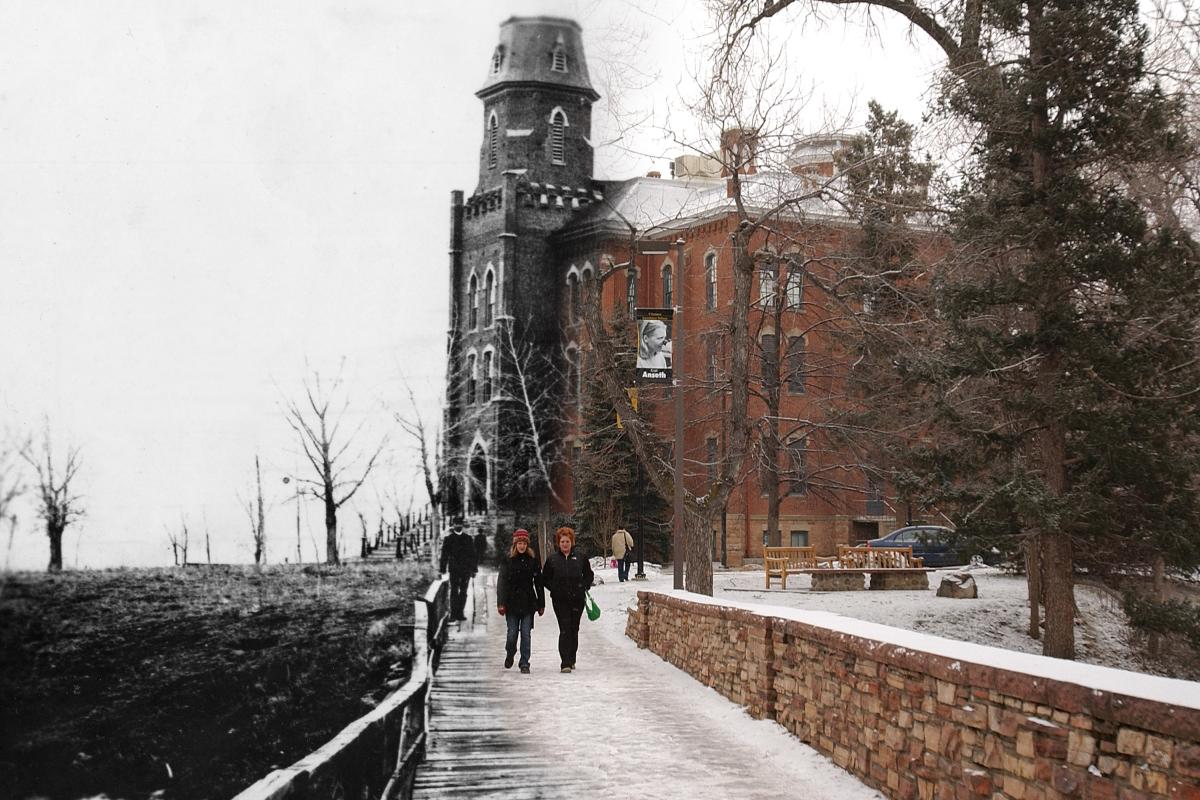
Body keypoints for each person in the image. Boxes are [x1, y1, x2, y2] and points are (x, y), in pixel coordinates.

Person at [540, 525, 594, 673]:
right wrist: (555, 589)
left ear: (572, 542)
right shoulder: (552, 559)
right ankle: (565, 662)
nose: (565, 544)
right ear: (559, 542)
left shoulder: (580, 558)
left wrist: (584, 586)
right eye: (562, 541)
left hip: (577, 599)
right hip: (560, 600)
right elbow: (545, 578)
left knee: (574, 629)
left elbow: (589, 575)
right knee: (564, 629)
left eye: (567, 541)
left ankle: (572, 657)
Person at [495, 529, 545, 674]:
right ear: (515, 545)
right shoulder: (508, 561)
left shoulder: (533, 561)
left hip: (528, 603)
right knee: (512, 634)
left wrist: (541, 604)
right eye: (519, 543)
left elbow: (538, 583)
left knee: (525, 634)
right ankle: (510, 653)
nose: (522, 546)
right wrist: (501, 603)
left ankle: (524, 662)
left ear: (527, 545)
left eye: (524, 543)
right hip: (511, 603)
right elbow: (501, 583)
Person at [439, 519, 478, 621]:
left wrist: (474, 569)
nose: (458, 525)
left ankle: (460, 613)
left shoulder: (468, 538)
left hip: (466, 569)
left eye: (460, 524)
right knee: (454, 591)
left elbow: (473, 554)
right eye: (456, 523)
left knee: (463, 591)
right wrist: (442, 569)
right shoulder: (448, 539)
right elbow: (444, 555)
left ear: (463, 525)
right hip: (454, 569)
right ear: (453, 525)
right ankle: (453, 614)